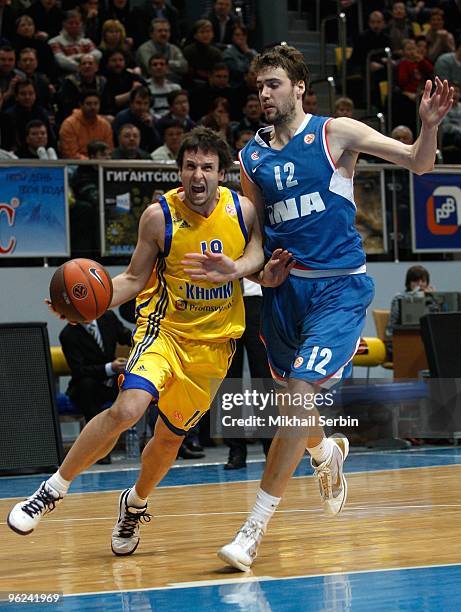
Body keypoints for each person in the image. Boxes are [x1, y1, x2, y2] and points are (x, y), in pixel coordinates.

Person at [213, 44, 453, 571]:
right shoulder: (250, 155)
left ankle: (252, 531)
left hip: (339, 291)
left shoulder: (336, 133)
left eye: (274, 85)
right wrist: (241, 270)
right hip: (283, 293)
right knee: (293, 405)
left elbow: (419, 163)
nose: (264, 95)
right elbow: (257, 239)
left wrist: (429, 126)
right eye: (259, 88)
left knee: (298, 395)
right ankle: (327, 453)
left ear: (299, 87)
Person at [6, 127, 290, 558]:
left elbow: (253, 263)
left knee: (169, 440)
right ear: (179, 171)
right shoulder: (159, 217)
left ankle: (134, 503)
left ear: (221, 173)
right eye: (190, 166)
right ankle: (51, 490)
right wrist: (85, 307)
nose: (198, 176)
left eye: (207, 168)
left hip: (212, 348)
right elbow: (134, 279)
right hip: (164, 333)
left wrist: (257, 274)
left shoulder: (243, 211)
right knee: (127, 408)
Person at [385, 265, 434, 342]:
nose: (420, 284)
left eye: (423, 281)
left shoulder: (430, 299)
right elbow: (392, 327)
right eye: (416, 281)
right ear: (409, 283)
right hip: (402, 338)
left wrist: (432, 298)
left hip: (424, 338)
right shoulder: (399, 298)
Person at [59, 90, 113, 159]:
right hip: (76, 165)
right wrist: (91, 162)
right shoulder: (69, 124)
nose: (93, 107)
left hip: (101, 164)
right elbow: (70, 154)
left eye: (96, 104)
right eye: (89, 104)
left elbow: (109, 151)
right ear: (81, 105)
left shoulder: (105, 125)